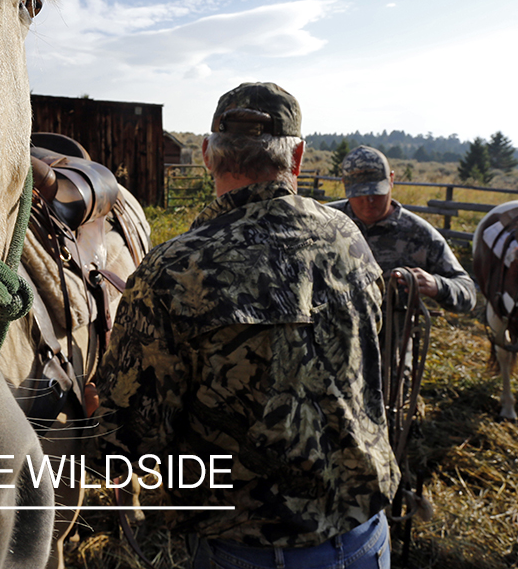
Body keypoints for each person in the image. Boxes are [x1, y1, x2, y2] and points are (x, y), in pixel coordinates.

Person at [93, 83, 399, 569]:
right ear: (297, 156)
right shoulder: (350, 239)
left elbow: (126, 444)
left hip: (247, 551)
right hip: (366, 536)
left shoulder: (173, 270)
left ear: (207, 155)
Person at [329, 146, 476, 314]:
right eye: (359, 193)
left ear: (391, 180)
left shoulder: (419, 234)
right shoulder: (323, 223)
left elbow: (468, 293)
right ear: (344, 185)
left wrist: (437, 286)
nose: (368, 200)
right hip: (333, 337)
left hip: (393, 337)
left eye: (377, 192)